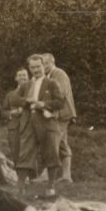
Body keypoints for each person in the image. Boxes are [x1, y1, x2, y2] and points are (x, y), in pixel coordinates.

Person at [15, 55, 66, 196]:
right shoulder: (26, 85)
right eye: (32, 67)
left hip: (46, 122)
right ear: (29, 68)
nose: (36, 70)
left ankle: (50, 186)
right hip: (29, 121)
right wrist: (27, 101)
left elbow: (61, 102)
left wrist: (43, 104)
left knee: (51, 152)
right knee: (25, 152)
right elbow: (15, 99)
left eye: (38, 67)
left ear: (44, 66)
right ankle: (20, 186)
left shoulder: (51, 83)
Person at [43, 53, 76, 183]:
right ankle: (66, 176)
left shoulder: (59, 74)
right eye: (43, 64)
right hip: (58, 113)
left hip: (62, 113)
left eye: (46, 63)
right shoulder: (50, 75)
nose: (44, 66)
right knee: (61, 143)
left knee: (54, 142)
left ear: (52, 62)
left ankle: (48, 175)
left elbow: (60, 93)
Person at [3, 68, 30, 165]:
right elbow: (3, 111)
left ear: (28, 77)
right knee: (15, 151)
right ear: (16, 78)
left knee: (30, 152)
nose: (22, 77)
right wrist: (11, 112)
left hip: (29, 126)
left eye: (24, 75)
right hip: (14, 126)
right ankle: (19, 177)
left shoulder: (33, 92)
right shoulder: (10, 94)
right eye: (20, 75)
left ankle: (33, 178)